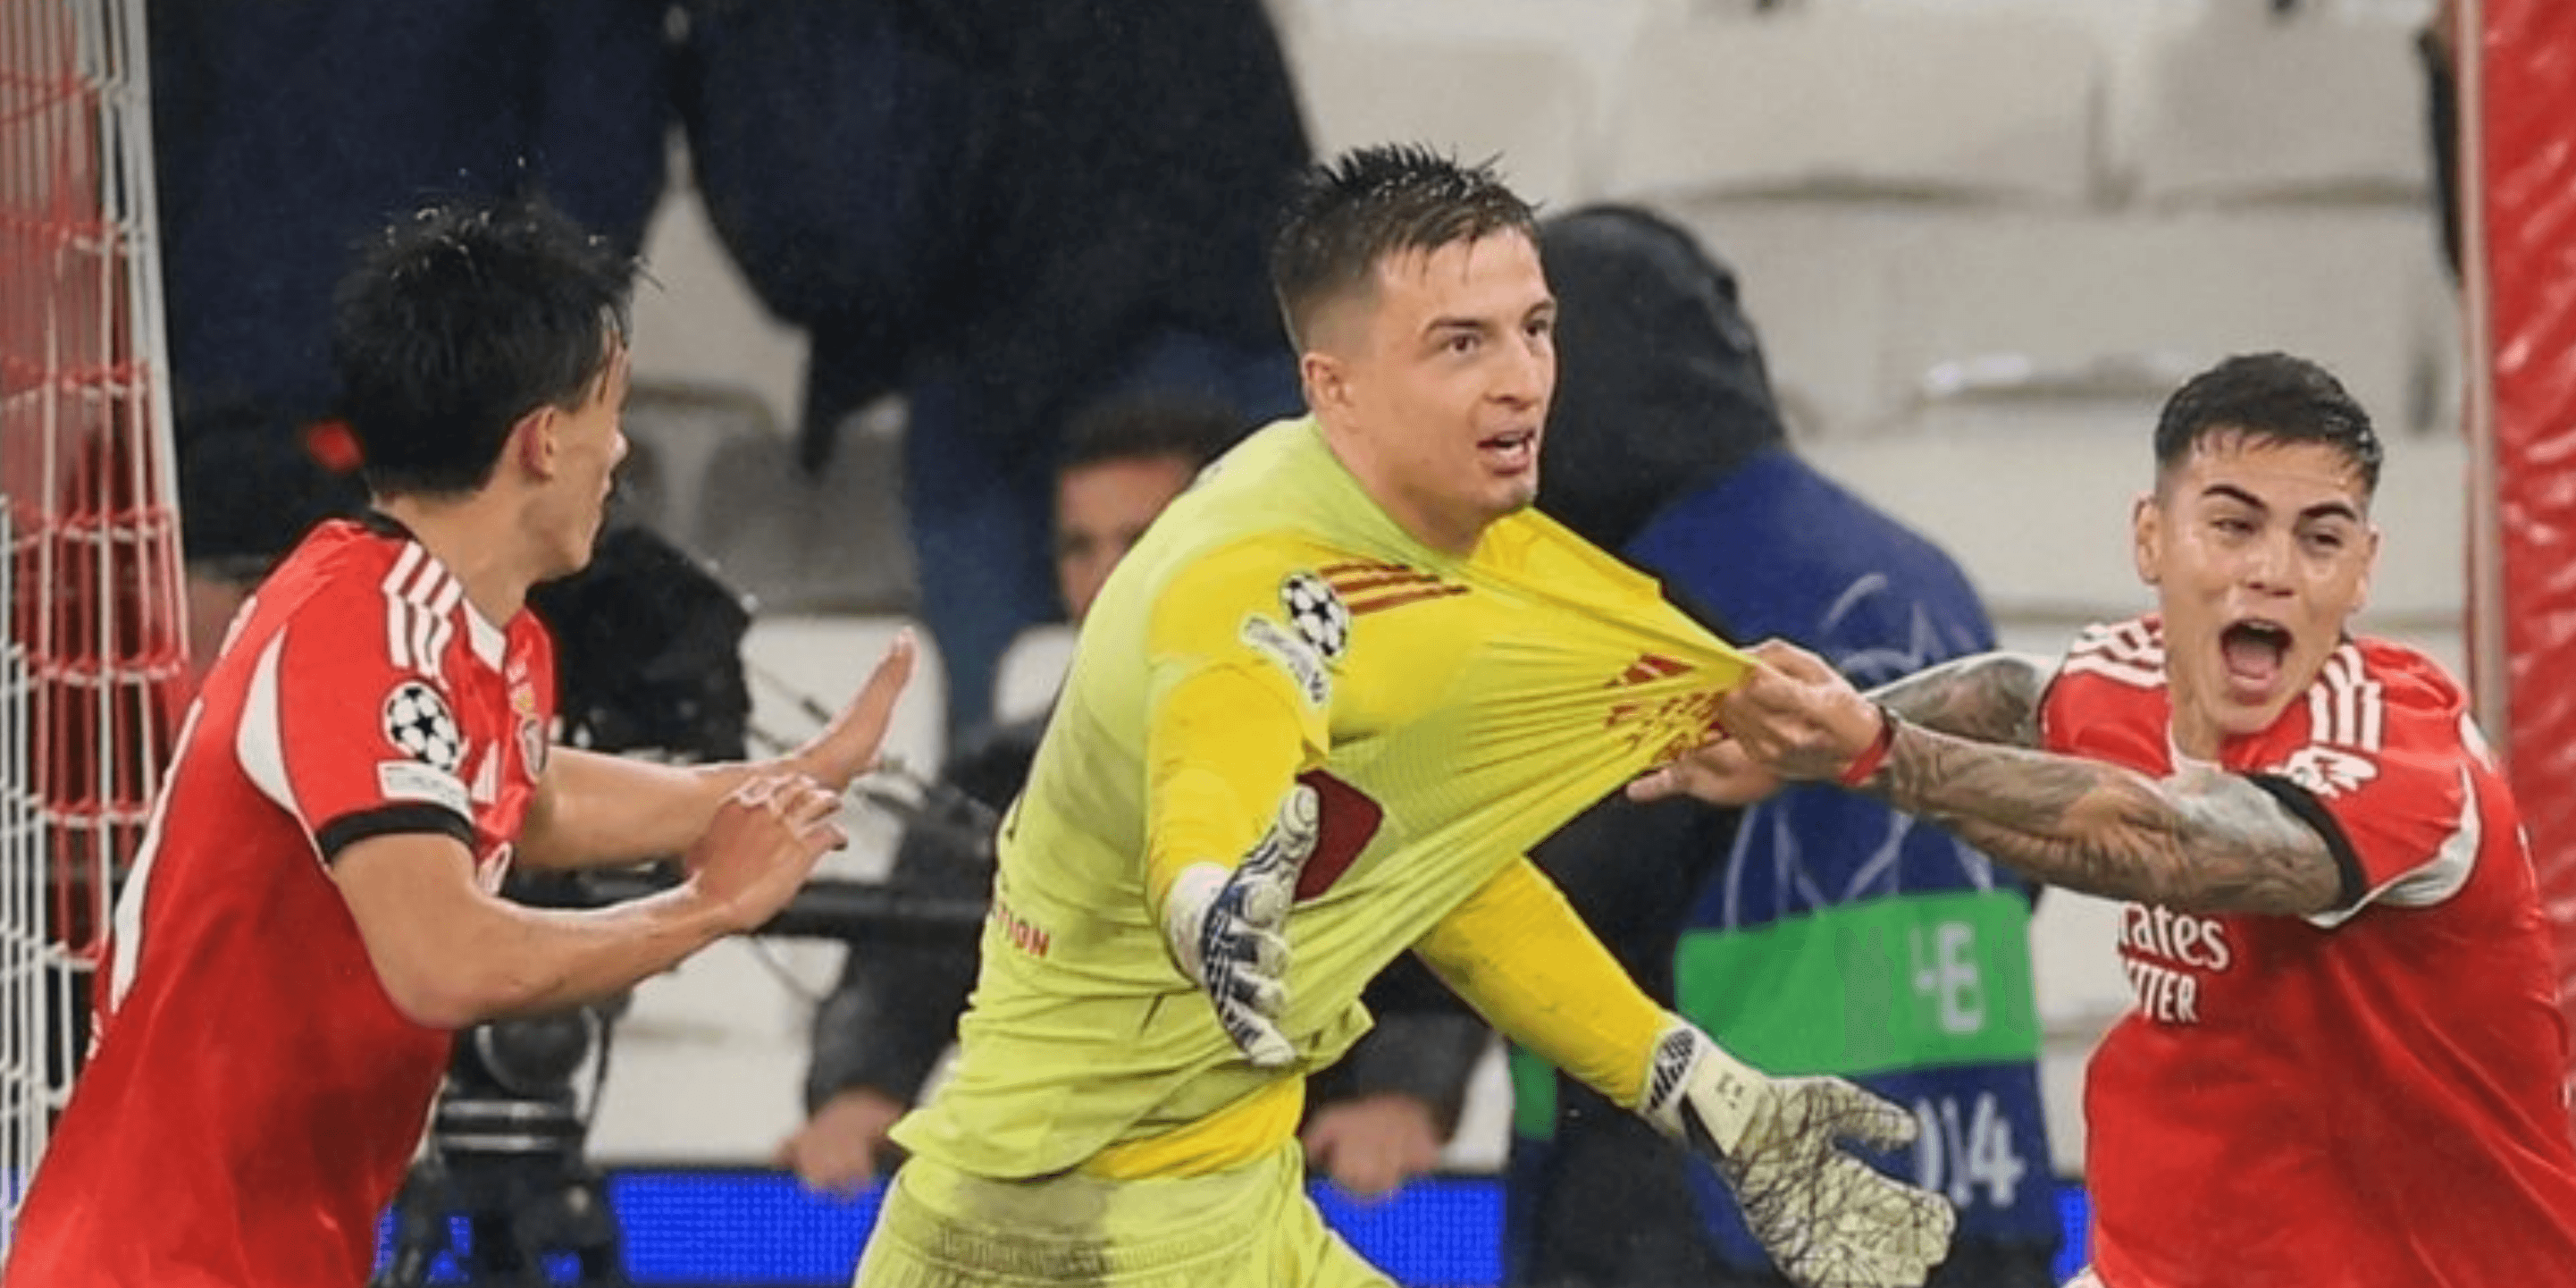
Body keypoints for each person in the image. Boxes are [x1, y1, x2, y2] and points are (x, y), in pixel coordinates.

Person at [847, 144, 1952, 1288]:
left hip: (1228, 1213)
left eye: (1535, 328)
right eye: (1462, 344)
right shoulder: (1252, 567)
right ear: (1336, 387)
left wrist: (1708, 1091)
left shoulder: (1462, 553)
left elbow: (1450, 877)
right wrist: (1203, 896)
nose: (1522, 380)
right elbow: (1221, 735)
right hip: (1046, 1238)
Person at [0, 197, 915, 1288]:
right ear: (542, 439)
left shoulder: (476, 634)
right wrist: (707, 906)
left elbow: (533, 796)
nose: (620, 450)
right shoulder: (360, 633)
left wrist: (783, 781)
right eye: (610, 411)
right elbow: (445, 960)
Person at [1640, 351, 2576, 1286]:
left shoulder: (2398, 751)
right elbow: (2011, 693)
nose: (2273, 571)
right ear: (2151, 537)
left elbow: (2169, 845)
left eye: (2320, 539)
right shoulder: (2130, 673)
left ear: (2363, 570)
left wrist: (1871, 750)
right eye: (2233, 525)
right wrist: (1801, 737)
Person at [1500, 206, 2060, 1287]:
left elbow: (1567, 893)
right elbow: (2024, 853)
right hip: (1970, 1178)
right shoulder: (1923, 573)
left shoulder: (1631, 602)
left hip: (1710, 1210)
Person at [779, 395, 1488, 1201]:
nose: (1104, 577)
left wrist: (1402, 1098)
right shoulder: (1000, 775)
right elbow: (898, 974)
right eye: (1079, 547)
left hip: (1298, 1184)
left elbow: (1435, 946)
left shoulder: (1361, 756)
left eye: (1138, 540)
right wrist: (859, 1090)